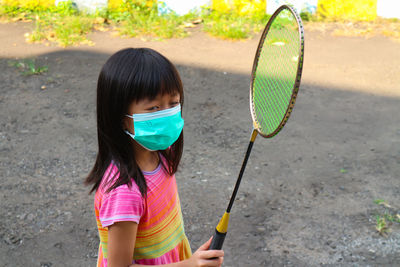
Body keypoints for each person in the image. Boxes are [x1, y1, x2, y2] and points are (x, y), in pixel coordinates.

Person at [85, 48, 224, 267]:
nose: (167, 114)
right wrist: (190, 265)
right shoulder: (124, 193)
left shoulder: (161, 153)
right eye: (154, 108)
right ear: (120, 117)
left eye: (173, 103)